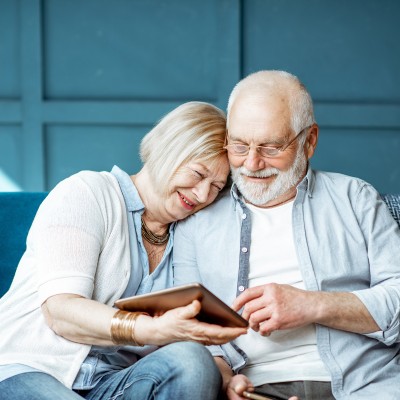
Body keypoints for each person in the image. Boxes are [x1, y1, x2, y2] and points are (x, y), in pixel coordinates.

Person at [173, 71, 400, 400]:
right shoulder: (197, 222)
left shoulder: (357, 199)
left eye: (270, 146)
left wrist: (311, 304)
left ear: (309, 141)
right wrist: (225, 380)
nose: (251, 163)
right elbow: (194, 330)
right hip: (257, 390)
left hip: (366, 386)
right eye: (239, 145)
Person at [0, 101, 248, 400]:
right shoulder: (87, 192)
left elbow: (199, 337)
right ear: (166, 149)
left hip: (112, 384)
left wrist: (226, 379)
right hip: (29, 368)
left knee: (193, 361)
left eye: (216, 186)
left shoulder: (189, 236)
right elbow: (60, 311)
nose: (202, 194)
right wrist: (148, 330)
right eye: (198, 174)